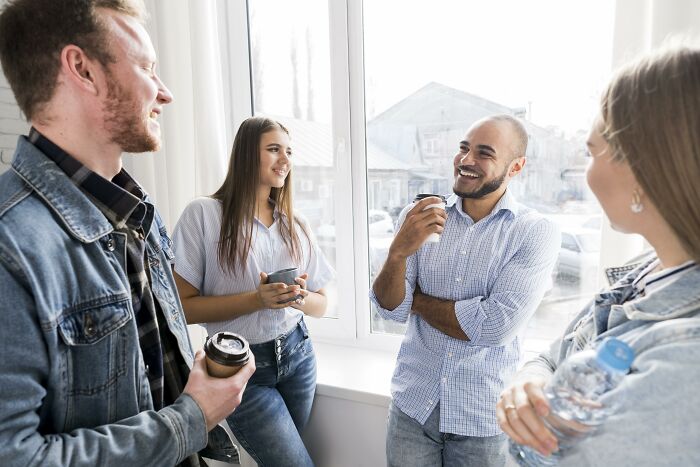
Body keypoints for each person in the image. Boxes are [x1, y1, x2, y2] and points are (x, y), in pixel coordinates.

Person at [0, 1, 255, 466]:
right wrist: (192, 418)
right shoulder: (9, 248)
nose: (165, 92)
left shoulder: (137, 211)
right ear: (83, 69)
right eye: (147, 67)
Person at [497, 43, 700, 466]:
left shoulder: (684, 362)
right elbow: (550, 356)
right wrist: (527, 384)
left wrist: (525, 434)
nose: (586, 172)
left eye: (591, 152)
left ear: (643, 170)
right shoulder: (644, 277)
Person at [371, 114, 560, 467]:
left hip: (482, 417)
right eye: (464, 148)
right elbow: (390, 309)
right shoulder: (419, 216)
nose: (466, 160)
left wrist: (418, 299)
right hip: (412, 407)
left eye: (484, 153)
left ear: (516, 167)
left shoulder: (535, 232)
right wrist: (398, 251)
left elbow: (493, 327)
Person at [172, 116, 334, 467]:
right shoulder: (204, 215)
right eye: (274, 149)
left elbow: (323, 303)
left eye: (289, 151)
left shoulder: (295, 224)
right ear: (247, 154)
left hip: (298, 357)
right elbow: (180, 308)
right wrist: (256, 299)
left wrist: (299, 297)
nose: (285, 159)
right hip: (242, 369)